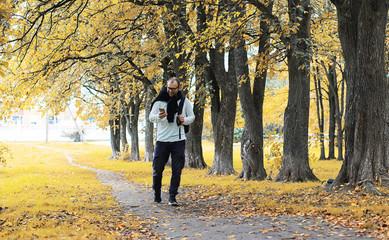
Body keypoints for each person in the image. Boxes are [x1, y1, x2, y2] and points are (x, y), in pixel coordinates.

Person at [149, 77, 195, 206]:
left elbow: (192, 117)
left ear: (178, 88)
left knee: (177, 170)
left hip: (178, 140)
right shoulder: (159, 101)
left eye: (173, 89)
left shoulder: (184, 101)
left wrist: (184, 119)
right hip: (162, 140)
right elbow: (150, 117)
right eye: (169, 87)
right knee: (157, 169)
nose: (170, 90)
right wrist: (158, 117)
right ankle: (157, 194)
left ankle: (172, 197)